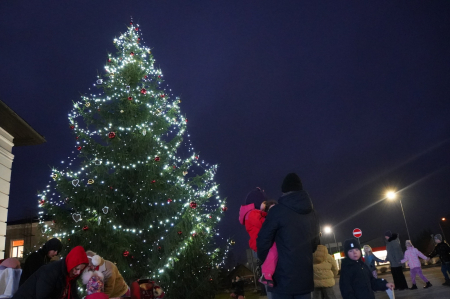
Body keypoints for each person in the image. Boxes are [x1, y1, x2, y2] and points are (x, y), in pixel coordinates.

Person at [257, 173, 320, 299]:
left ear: (284, 190)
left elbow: (262, 242)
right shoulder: (312, 213)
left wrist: (269, 260)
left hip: (281, 280)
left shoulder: (277, 211)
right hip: (304, 278)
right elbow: (314, 244)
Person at [12, 245, 89, 299]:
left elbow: (73, 295)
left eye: (81, 270)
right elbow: (42, 296)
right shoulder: (51, 271)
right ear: (71, 264)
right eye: (76, 268)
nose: (78, 272)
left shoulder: (70, 276)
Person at [239, 189, 278, 288]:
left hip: (259, 241)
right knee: (274, 249)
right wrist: (271, 216)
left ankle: (267, 273)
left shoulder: (252, 214)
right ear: (257, 202)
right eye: (264, 203)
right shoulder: (252, 214)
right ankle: (266, 274)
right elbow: (263, 224)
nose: (265, 205)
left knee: (273, 252)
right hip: (258, 242)